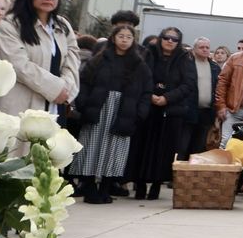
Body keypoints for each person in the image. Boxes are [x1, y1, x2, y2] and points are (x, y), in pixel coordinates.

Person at [67, 23, 152, 204]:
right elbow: (84, 83)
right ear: (113, 38)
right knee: (91, 147)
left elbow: (146, 91)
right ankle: (89, 188)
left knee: (115, 150)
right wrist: (83, 104)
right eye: (121, 36)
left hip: (124, 111)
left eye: (128, 37)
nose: (124, 40)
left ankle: (105, 188)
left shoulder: (139, 64)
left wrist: (139, 113)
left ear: (133, 41)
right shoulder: (99, 59)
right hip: (98, 108)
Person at [0, 0, 81, 120]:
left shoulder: (63, 26)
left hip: (55, 106)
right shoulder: (11, 24)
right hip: (20, 104)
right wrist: (55, 89)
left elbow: (73, 59)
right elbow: (18, 65)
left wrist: (66, 89)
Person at [127, 27, 197, 201]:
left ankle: (156, 185)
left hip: (171, 110)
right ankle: (140, 184)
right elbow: (140, 77)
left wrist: (167, 98)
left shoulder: (184, 59)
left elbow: (188, 85)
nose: (170, 41)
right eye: (167, 37)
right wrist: (150, 95)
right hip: (148, 108)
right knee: (142, 147)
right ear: (160, 38)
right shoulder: (148, 53)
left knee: (164, 150)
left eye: (174, 39)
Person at [183, 37, 222, 157]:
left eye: (207, 47)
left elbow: (218, 89)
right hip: (188, 112)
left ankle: (195, 172)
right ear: (194, 49)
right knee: (183, 145)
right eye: (201, 47)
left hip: (207, 113)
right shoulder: (186, 65)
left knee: (199, 147)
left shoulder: (215, 67)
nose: (205, 50)